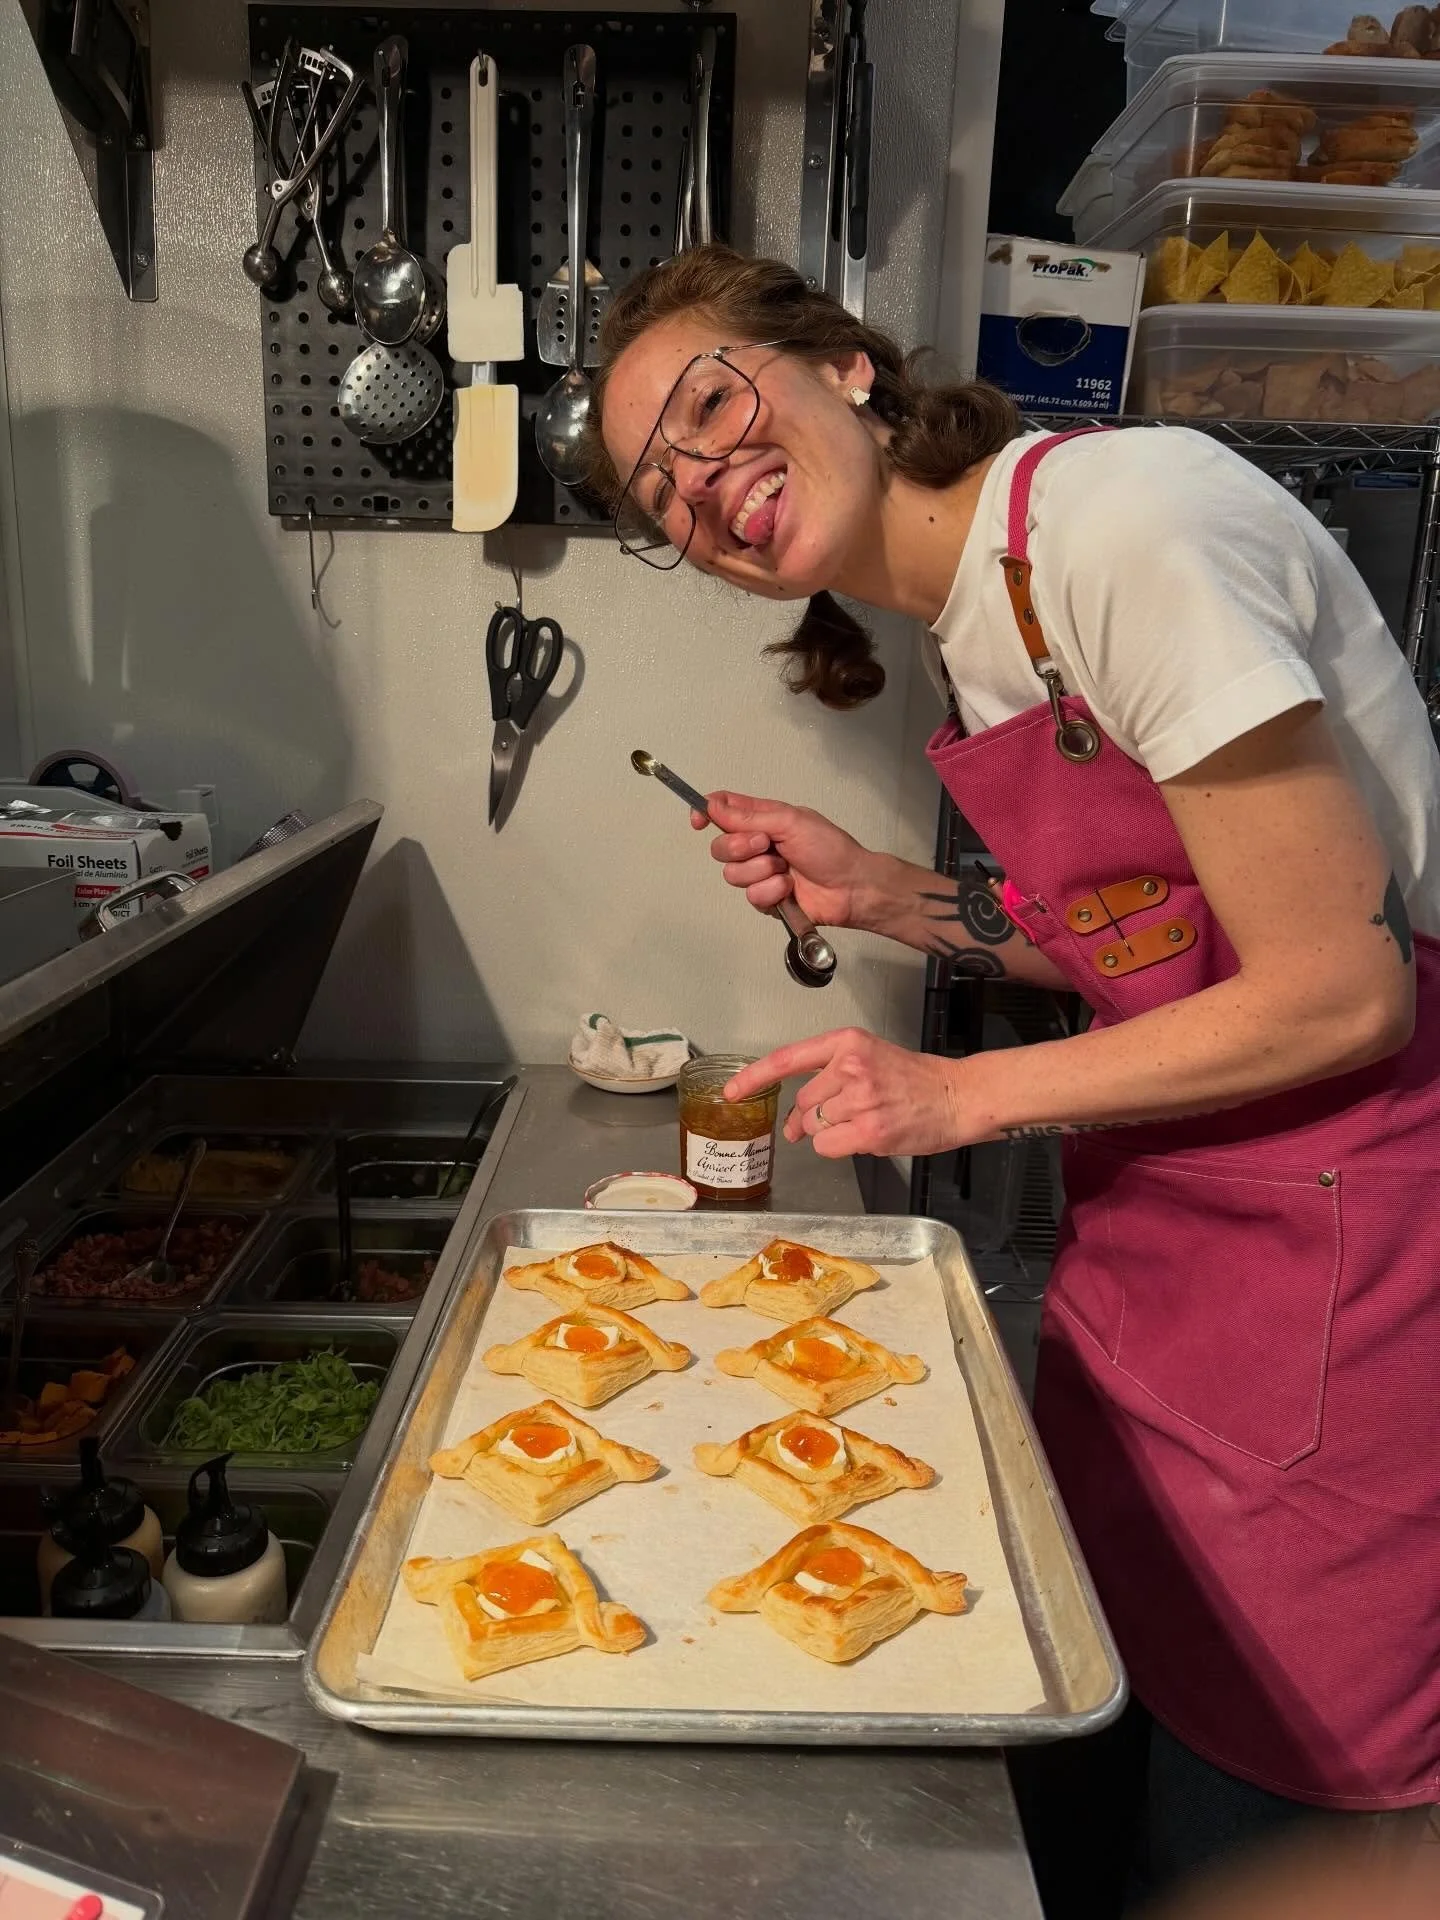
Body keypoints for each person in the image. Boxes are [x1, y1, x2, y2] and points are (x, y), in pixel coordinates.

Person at [584, 244, 1440, 1906]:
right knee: (1100, 1739)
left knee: (1266, 1804)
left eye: (707, 407)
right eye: (660, 496)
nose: (700, 488)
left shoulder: (1122, 531)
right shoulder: (979, 623)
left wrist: (959, 1096)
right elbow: (1160, 950)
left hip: (1350, 1252)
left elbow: (1343, 990)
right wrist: (878, 894)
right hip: (1167, 1253)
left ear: (843, 364)